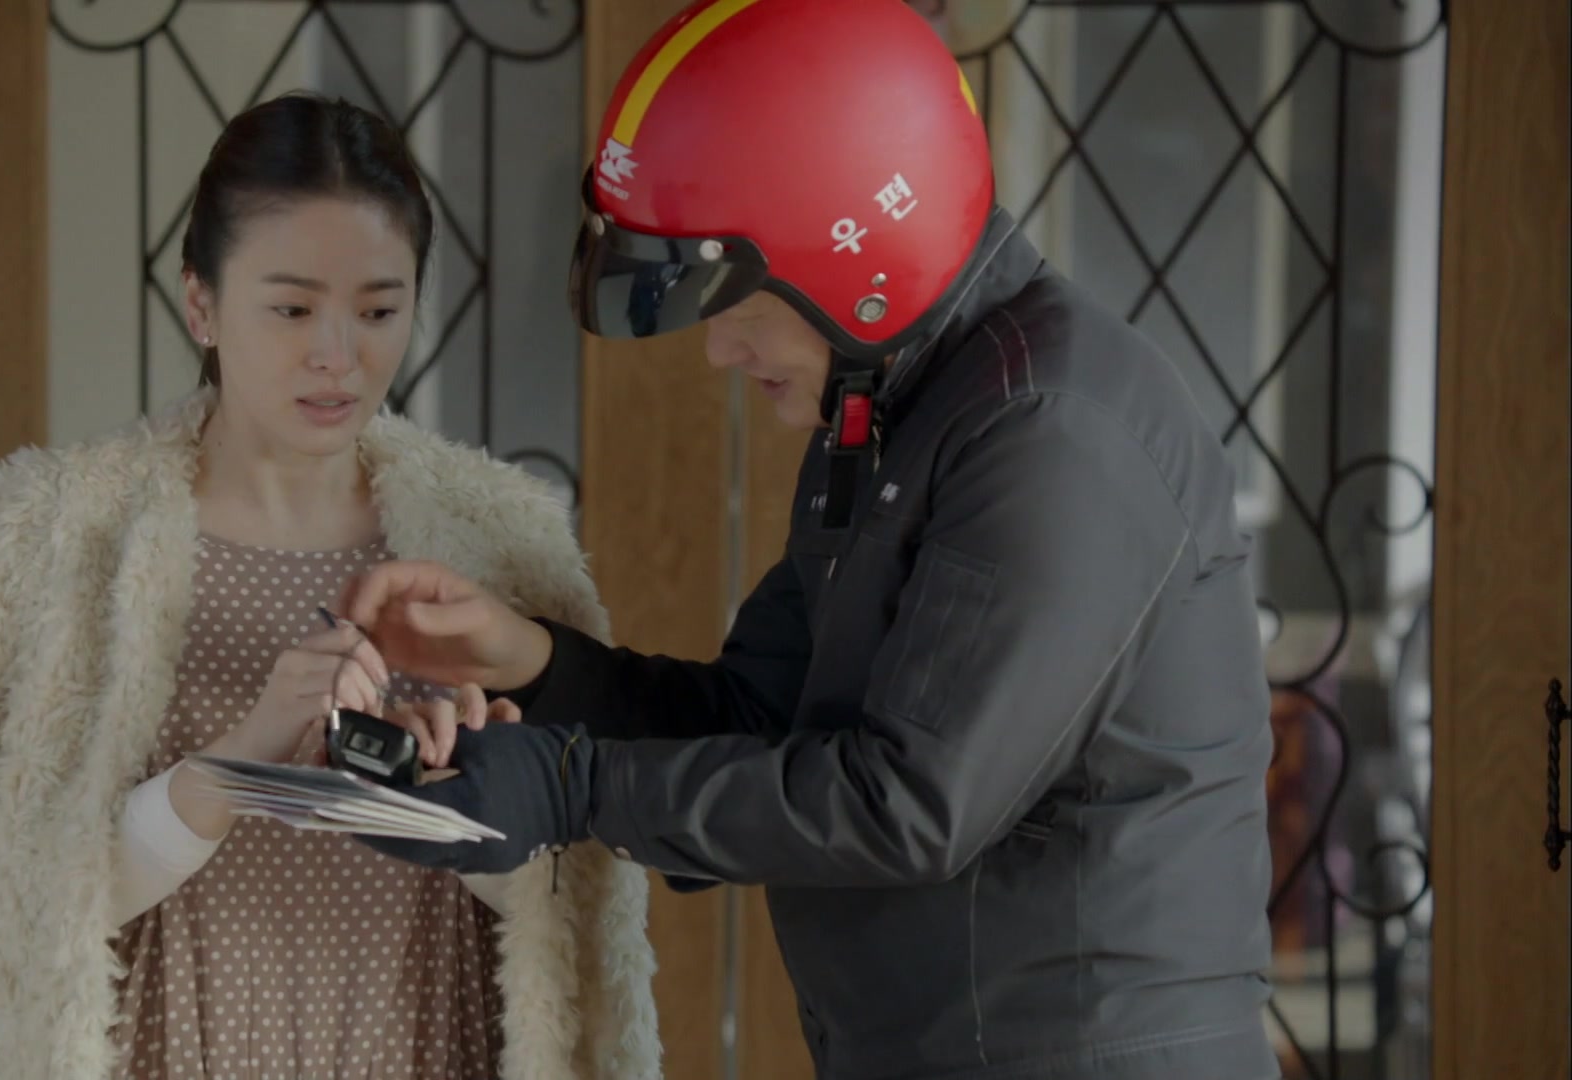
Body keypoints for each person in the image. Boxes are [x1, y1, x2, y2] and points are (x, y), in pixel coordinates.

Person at [338, 2, 1280, 1078]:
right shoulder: (897, 413)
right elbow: (763, 720)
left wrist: (568, 787)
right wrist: (534, 665)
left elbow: (908, 803)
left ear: (851, 257)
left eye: (734, 300)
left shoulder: (1051, 430)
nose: (720, 351)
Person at [0, 92, 662, 1080]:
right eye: (292, 309)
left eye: (379, 310)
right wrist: (228, 772)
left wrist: (469, 802)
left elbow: (579, 923)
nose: (338, 355)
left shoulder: (507, 545)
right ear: (201, 303)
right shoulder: (44, 539)